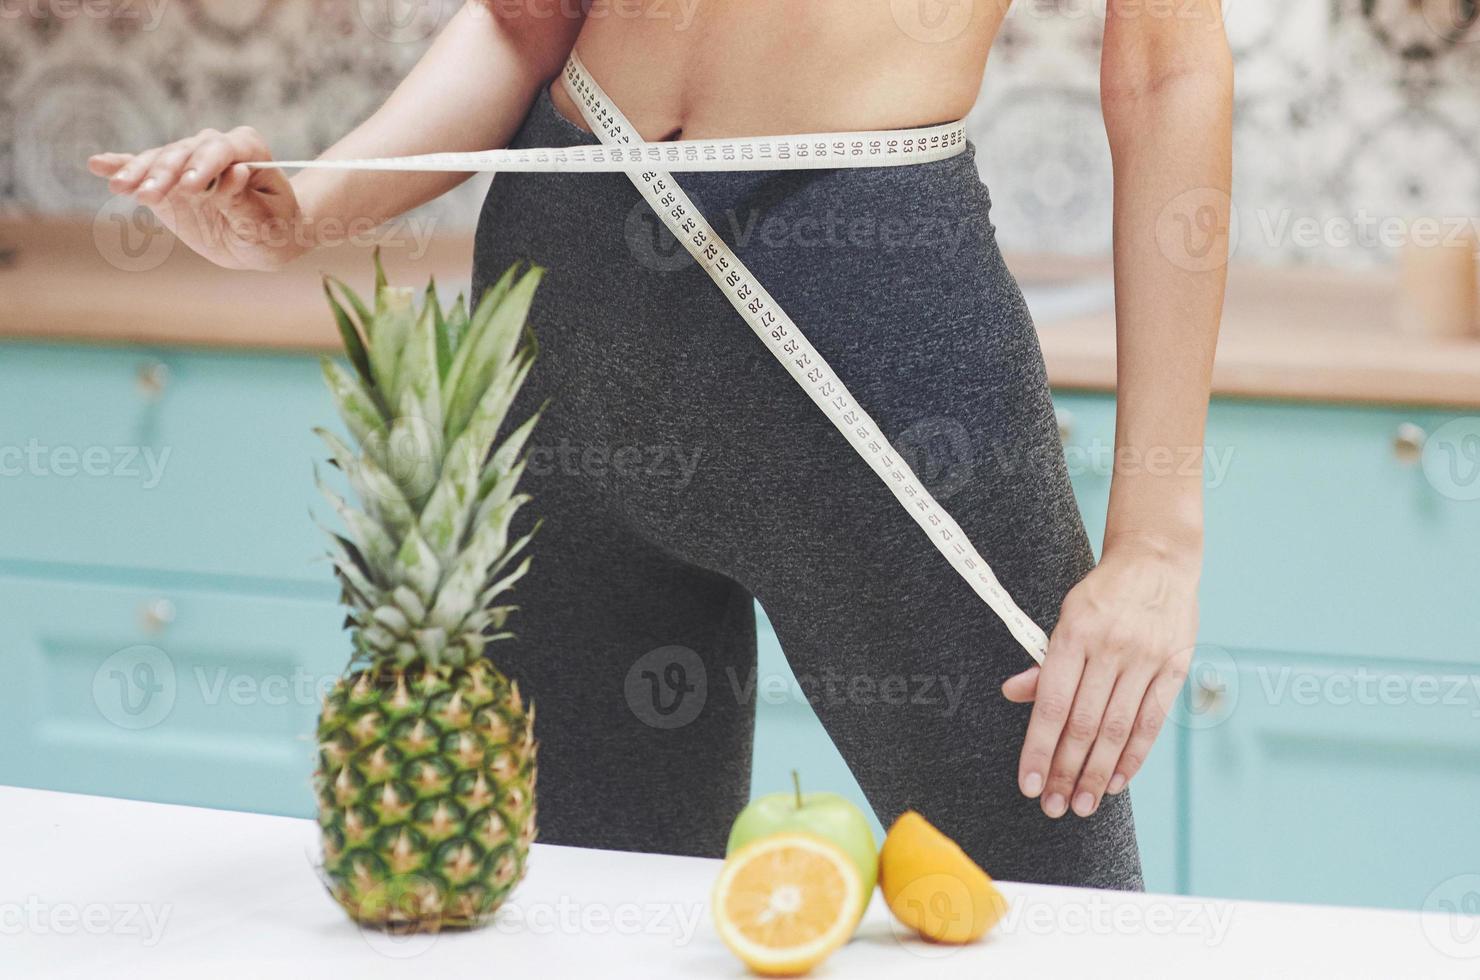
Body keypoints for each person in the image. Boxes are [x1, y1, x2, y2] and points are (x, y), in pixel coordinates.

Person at [90, 0, 1232, 890]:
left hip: (865, 322)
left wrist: (1157, 543)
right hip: (566, 305)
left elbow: (1166, 67)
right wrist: (311, 203)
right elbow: (520, 21)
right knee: (586, 910)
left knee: (1056, 913)